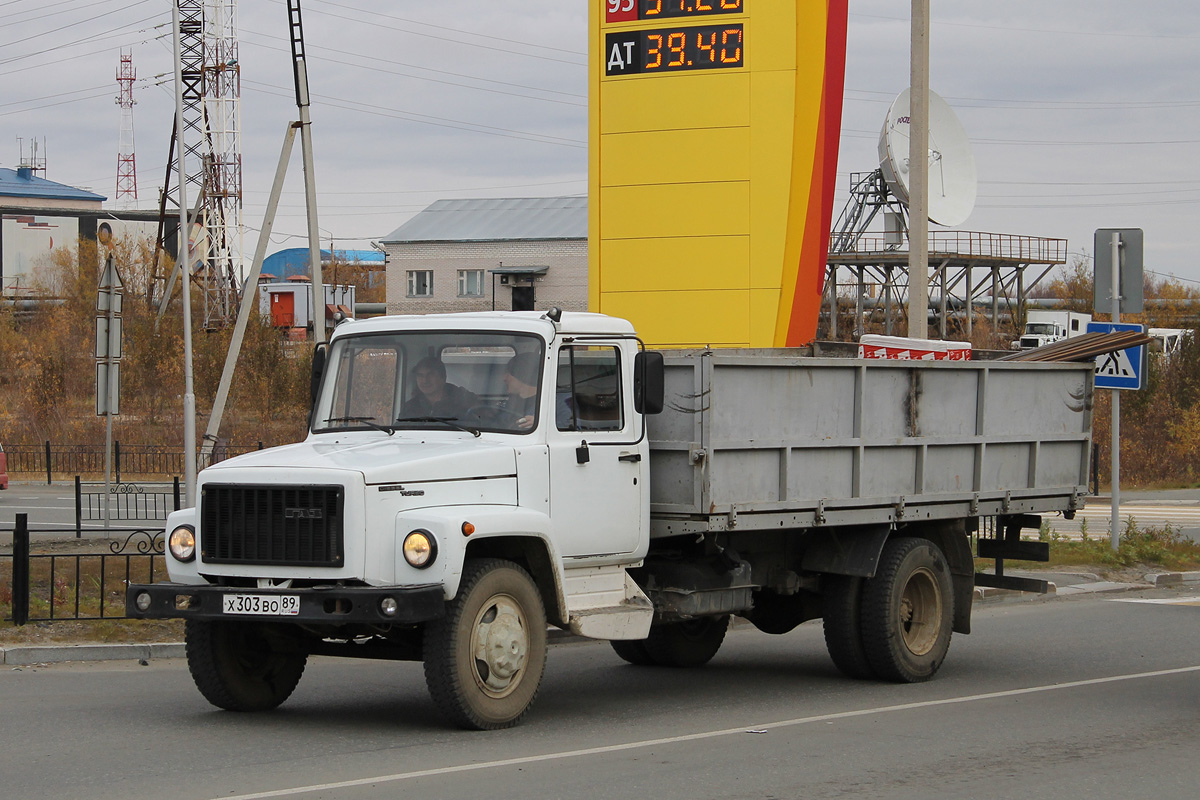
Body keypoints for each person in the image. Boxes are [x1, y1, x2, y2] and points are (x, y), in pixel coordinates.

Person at [402, 356, 477, 419]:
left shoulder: (464, 402)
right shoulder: (410, 407)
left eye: (430, 374)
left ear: (443, 377)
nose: (425, 380)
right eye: (420, 375)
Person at [503, 352, 542, 429]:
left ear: (521, 376)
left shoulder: (555, 403)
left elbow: (565, 424)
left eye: (508, 374)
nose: (504, 379)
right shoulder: (512, 401)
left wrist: (540, 424)